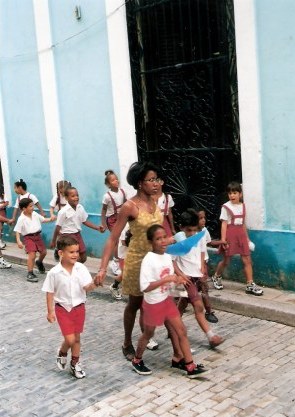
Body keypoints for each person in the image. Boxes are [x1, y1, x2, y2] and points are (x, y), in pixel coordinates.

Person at [94, 161, 166, 360]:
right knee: (134, 303)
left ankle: (146, 335)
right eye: (151, 180)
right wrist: (102, 268)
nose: (156, 183)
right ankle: (127, 342)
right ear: (140, 183)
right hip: (137, 262)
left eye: (157, 179)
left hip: (155, 261)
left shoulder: (156, 202)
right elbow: (113, 238)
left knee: (149, 302)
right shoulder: (130, 206)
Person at [132, 224, 207, 378]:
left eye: (164, 237)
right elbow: (145, 287)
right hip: (153, 303)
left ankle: (189, 365)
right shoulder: (148, 260)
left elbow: (170, 278)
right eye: (158, 239)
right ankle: (137, 359)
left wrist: (177, 280)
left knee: (181, 331)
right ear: (151, 242)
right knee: (148, 333)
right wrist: (166, 279)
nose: (163, 241)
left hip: (167, 300)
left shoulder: (167, 256)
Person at [42, 236, 98, 379]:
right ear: (61, 253)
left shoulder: (81, 268)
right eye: (71, 252)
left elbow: (87, 287)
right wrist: (50, 312)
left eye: (77, 252)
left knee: (77, 339)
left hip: (79, 308)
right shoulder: (54, 272)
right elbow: (50, 292)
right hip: (63, 309)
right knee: (70, 340)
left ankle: (75, 363)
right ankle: (62, 352)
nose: (75, 255)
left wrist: (95, 284)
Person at [173, 209, 224, 348]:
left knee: (183, 303)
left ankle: (172, 326)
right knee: (198, 305)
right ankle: (211, 336)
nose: (192, 233)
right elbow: (172, 260)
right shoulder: (178, 239)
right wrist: (181, 275)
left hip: (196, 275)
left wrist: (202, 267)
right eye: (188, 230)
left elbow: (202, 251)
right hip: (186, 279)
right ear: (181, 227)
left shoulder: (199, 236)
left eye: (194, 230)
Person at [211, 181, 263, 295]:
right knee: (226, 260)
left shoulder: (243, 206)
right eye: (230, 193)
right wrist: (223, 240)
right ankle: (216, 276)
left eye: (235, 193)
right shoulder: (226, 207)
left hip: (241, 235)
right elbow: (224, 224)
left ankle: (250, 284)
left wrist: (247, 239)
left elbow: (243, 223)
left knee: (247, 260)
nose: (232, 195)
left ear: (240, 194)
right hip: (230, 235)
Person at [50, 186, 102, 264]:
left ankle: (72, 268)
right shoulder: (63, 211)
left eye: (77, 195)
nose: (76, 197)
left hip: (77, 234)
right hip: (67, 235)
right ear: (67, 198)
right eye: (73, 196)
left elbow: (84, 221)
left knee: (83, 257)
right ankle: (70, 270)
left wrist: (97, 228)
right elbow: (58, 227)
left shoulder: (80, 208)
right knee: (75, 257)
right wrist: (53, 241)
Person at [14, 198, 54, 282]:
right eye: (30, 206)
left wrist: (51, 219)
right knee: (32, 255)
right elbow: (17, 230)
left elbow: (43, 220)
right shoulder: (21, 219)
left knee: (44, 252)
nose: (33, 207)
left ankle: (39, 262)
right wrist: (18, 241)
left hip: (38, 236)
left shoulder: (35, 214)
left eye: (33, 206)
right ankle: (30, 273)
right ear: (24, 208)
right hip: (28, 238)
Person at [100, 170, 127, 281]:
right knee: (116, 240)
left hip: (122, 217)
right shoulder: (107, 196)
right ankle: (115, 262)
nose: (116, 181)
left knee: (123, 239)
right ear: (108, 184)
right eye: (113, 180)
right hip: (112, 219)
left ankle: (119, 260)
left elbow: (126, 204)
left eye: (116, 179)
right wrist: (103, 223)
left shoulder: (122, 192)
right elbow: (104, 210)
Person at [49, 180, 71, 261]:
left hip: (70, 220)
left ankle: (67, 252)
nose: (61, 193)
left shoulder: (71, 195)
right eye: (60, 191)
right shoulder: (57, 197)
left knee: (69, 236)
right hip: (61, 220)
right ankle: (57, 249)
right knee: (60, 237)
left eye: (63, 192)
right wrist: (52, 214)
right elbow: (51, 207)